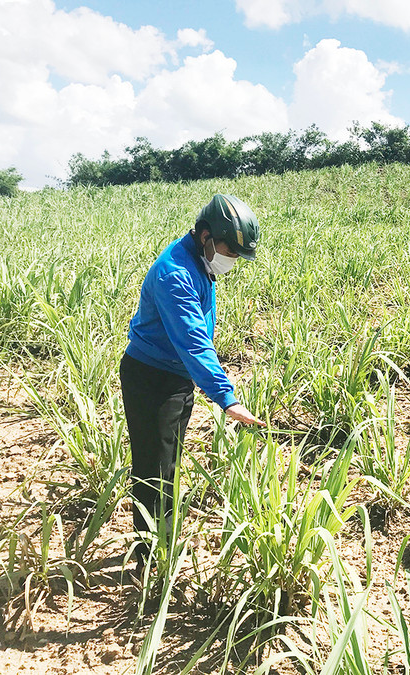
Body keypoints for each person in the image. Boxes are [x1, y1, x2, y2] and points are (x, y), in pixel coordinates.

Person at [120, 193, 265, 578]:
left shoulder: (199, 260)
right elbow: (193, 341)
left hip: (176, 374)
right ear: (205, 235)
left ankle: (161, 543)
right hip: (152, 378)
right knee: (154, 469)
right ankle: (150, 563)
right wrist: (225, 397)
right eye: (228, 249)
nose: (231, 258)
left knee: (168, 463)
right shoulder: (176, 275)